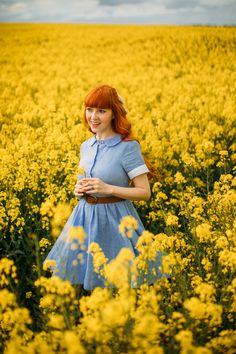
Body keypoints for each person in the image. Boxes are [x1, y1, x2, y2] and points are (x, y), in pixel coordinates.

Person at [43, 84, 167, 291]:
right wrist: (79, 191)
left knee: (117, 284)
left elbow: (145, 192)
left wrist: (109, 188)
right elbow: (88, 181)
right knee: (80, 285)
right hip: (83, 217)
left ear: (113, 114)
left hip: (115, 220)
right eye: (89, 109)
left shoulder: (128, 147)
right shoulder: (86, 146)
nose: (93, 116)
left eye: (101, 110)